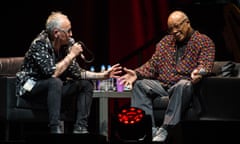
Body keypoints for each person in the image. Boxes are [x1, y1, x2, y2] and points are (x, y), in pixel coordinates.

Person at [15, 11, 122, 134]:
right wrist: (71, 55)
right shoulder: (39, 44)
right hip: (31, 86)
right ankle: (55, 129)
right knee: (55, 82)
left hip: (53, 89)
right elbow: (52, 73)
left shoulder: (65, 46)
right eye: (68, 31)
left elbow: (77, 73)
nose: (71, 35)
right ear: (56, 33)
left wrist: (102, 76)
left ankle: (80, 128)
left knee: (85, 84)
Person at [118, 10, 215, 142]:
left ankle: (165, 128)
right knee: (140, 85)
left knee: (183, 84)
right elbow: (152, 65)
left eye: (177, 26)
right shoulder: (165, 42)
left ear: (187, 23)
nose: (174, 31)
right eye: (170, 29)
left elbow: (206, 64)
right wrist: (136, 73)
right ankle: (149, 130)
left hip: (186, 86)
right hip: (164, 86)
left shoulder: (204, 41)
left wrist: (199, 72)